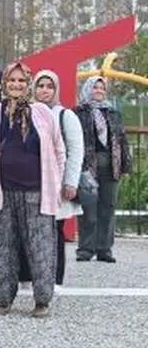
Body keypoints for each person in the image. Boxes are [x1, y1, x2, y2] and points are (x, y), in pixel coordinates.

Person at [0, 61, 65, 317]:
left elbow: (59, 150)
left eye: (21, 80)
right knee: (1, 248)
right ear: (4, 83)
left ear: (28, 84)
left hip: (36, 192)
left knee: (41, 248)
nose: (16, 84)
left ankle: (42, 300)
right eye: (11, 80)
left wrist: (56, 184)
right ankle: (3, 299)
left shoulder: (42, 112)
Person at [32, 70, 82, 284]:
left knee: (55, 232)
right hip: (32, 182)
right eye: (40, 86)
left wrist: (70, 181)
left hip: (57, 184)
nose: (45, 90)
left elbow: (76, 150)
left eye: (49, 86)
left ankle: (55, 278)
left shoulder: (65, 116)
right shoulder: (28, 113)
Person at [74, 76, 130, 264]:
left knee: (108, 206)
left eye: (102, 88)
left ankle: (104, 249)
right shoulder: (79, 112)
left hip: (111, 163)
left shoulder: (113, 113)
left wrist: (125, 165)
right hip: (87, 164)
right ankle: (85, 249)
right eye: (95, 87)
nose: (99, 91)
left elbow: (122, 139)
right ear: (88, 89)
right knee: (88, 207)